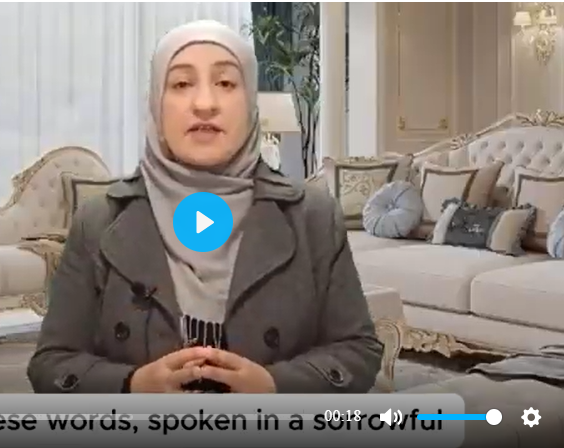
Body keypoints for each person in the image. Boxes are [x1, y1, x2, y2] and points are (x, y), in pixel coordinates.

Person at [27, 20, 382, 394]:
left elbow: (358, 352)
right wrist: (131, 385)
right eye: (181, 84)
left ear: (251, 104)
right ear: (156, 105)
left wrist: (275, 385)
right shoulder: (99, 220)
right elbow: (52, 365)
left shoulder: (312, 215)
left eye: (226, 83)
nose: (205, 104)